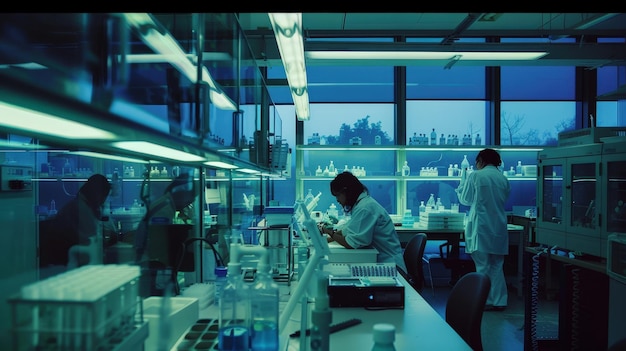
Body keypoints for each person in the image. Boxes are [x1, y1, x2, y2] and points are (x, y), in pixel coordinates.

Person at [455, 148, 511, 311]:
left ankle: (484, 301)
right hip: (499, 225)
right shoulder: (503, 178)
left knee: (483, 265)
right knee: (497, 265)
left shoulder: (476, 176)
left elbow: (466, 200)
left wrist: (461, 186)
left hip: (481, 226)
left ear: (481, 160)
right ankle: (500, 301)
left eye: (477, 162)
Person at [318, 171, 407, 272]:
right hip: (378, 262)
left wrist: (330, 233)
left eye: (338, 195)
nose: (337, 200)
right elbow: (347, 230)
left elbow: (351, 243)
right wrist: (326, 239)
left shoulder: (365, 208)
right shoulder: (361, 205)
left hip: (390, 267)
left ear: (346, 192)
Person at [39, 174, 113, 268]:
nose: (102, 202)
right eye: (103, 198)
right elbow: (90, 242)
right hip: (69, 264)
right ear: (98, 195)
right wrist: (109, 237)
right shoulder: (81, 209)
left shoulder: (80, 205)